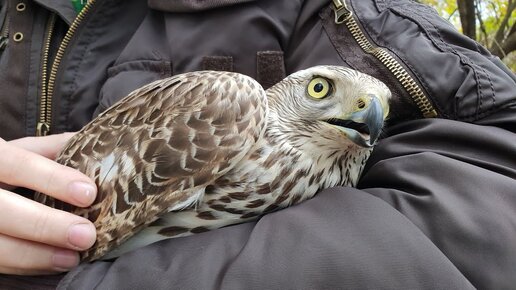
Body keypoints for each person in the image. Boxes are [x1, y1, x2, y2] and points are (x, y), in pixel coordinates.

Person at [0, 0, 515, 288]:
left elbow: (491, 176)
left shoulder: (344, 12)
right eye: (321, 89)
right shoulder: (232, 105)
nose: (364, 111)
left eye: (374, 107)